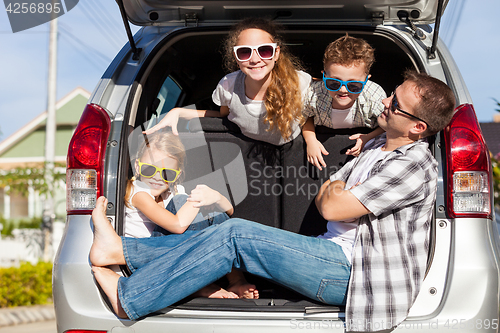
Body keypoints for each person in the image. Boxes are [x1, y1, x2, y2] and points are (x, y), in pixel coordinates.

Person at [89, 71, 455, 332]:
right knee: (219, 222)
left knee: (236, 235)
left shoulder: (413, 163)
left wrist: (337, 189)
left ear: (417, 127)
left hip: (355, 274)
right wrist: (337, 189)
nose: (385, 100)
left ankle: (131, 297)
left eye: (396, 103)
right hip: (329, 253)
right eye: (392, 94)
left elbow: (330, 205)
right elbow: (328, 189)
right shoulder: (375, 145)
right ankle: (122, 250)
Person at [123, 131, 258, 299]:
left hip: (168, 257)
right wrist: (200, 199)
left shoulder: (172, 192)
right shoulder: (138, 193)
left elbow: (229, 212)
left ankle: (236, 279)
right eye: (150, 169)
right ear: (138, 166)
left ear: (177, 175)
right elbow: (177, 225)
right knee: (185, 203)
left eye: (167, 173)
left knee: (212, 213)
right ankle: (198, 285)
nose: (157, 177)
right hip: (145, 264)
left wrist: (214, 196)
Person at [144, 17, 311, 146]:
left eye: (264, 50)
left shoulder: (298, 81)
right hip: (248, 149)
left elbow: (320, 107)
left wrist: (311, 139)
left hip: (294, 147)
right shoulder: (228, 86)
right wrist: (178, 112)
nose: (254, 59)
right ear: (236, 58)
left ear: (276, 54)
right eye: (244, 52)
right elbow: (224, 117)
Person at [302, 34, 387, 170]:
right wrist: (310, 140)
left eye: (353, 85)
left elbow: (389, 124)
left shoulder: (374, 96)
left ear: (366, 80)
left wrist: (368, 138)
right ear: (324, 76)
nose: (343, 90)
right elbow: (306, 116)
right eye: (333, 83)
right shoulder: (315, 93)